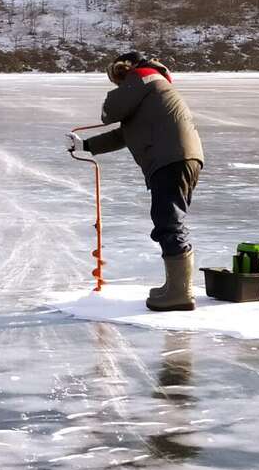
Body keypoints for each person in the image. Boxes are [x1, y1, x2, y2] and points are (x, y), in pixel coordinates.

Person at [67, 52, 204, 312]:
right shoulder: (152, 92)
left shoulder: (143, 78)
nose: (117, 84)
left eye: (118, 78)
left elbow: (110, 111)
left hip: (170, 159)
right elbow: (124, 133)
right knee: (168, 220)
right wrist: (85, 145)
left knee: (169, 222)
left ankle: (179, 293)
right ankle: (175, 287)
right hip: (181, 157)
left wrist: (124, 81)